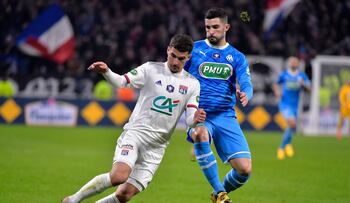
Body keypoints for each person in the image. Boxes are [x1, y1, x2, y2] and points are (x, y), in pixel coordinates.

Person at [62, 34, 206, 203]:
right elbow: (122, 82)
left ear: (188, 57)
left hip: (157, 147)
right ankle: (72, 200)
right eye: (173, 55)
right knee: (119, 176)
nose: (175, 62)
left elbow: (189, 120)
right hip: (136, 135)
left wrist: (195, 119)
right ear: (168, 50)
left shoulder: (193, 84)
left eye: (181, 59)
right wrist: (107, 72)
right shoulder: (151, 69)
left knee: (124, 194)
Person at [184, 8, 253, 203]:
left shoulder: (237, 57)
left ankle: (217, 195)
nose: (211, 31)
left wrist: (246, 93)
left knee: (244, 170)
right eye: (207, 28)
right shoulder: (194, 50)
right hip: (200, 114)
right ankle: (220, 192)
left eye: (215, 27)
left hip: (225, 115)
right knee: (200, 133)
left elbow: (246, 82)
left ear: (226, 27)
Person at [272, 56, 311, 160]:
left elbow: (309, 89)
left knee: (291, 126)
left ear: (298, 64)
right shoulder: (284, 74)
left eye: (295, 62)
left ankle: (288, 144)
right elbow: (275, 84)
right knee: (292, 123)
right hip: (285, 104)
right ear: (289, 63)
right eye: (292, 62)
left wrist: (304, 85)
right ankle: (281, 148)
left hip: (295, 105)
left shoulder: (301, 76)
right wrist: (277, 92)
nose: (293, 63)